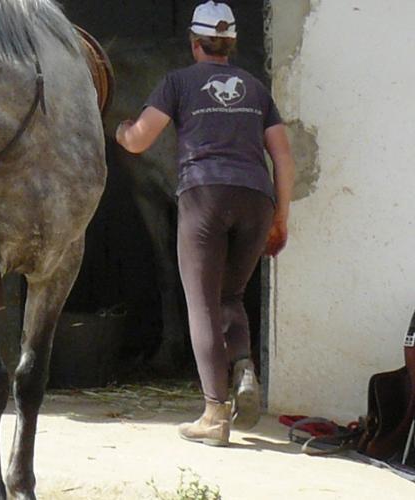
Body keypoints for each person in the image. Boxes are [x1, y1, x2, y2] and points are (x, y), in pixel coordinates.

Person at [115, 1, 295, 447]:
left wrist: (120, 132)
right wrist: (281, 215)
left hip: (205, 195)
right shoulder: (256, 89)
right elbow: (283, 155)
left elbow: (139, 140)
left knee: (203, 305)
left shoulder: (177, 82)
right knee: (231, 295)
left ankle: (215, 414)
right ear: (231, 44)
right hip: (256, 198)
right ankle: (245, 367)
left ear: (194, 45)